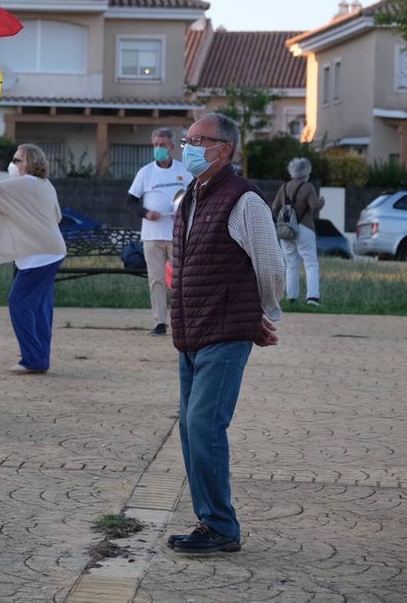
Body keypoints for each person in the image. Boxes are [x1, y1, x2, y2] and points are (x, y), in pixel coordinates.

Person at [166, 112, 284, 555]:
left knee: (204, 424)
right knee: (190, 429)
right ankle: (206, 520)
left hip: (224, 330)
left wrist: (265, 313)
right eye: (186, 139)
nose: (188, 147)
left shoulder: (243, 199)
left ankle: (220, 525)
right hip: (191, 330)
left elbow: (270, 264)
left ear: (225, 149)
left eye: (199, 140)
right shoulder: (191, 196)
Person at [0, 144, 66, 373]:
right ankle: (40, 357)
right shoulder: (46, 185)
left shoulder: (21, 184)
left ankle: (33, 358)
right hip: (52, 250)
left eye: (17, 160)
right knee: (41, 308)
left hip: (38, 255)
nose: (12, 164)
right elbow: (57, 216)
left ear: (30, 163)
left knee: (19, 303)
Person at [126, 127, 191, 337]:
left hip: (177, 235)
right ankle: (160, 322)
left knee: (180, 279)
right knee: (156, 280)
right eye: (155, 145)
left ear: (171, 146)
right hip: (152, 236)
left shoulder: (184, 170)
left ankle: (182, 320)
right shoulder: (145, 172)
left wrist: (182, 210)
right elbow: (131, 201)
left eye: (162, 145)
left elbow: (194, 197)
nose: (158, 149)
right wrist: (145, 213)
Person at [270, 157, 324, 306]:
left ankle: (291, 297)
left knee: (291, 263)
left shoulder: (284, 187)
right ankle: (313, 297)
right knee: (310, 262)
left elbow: (274, 207)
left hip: (286, 229)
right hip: (305, 228)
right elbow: (314, 207)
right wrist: (321, 202)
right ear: (306, 172)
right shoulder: (308, 187)